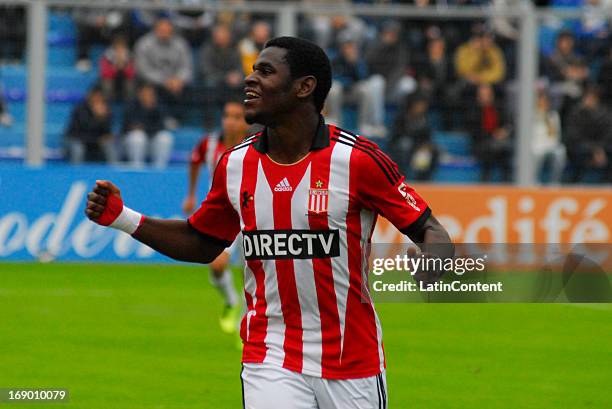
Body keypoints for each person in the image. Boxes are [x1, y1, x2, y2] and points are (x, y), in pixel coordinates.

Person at [85, 36, 452, 409]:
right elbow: (202, 242)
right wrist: (123, 218)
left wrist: (434, 257)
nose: (250, 80)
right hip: (270, 354)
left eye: (265, 71)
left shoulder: (357, 162)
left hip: (351, 360)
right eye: (251, 70)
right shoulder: (235, 165)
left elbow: (430, 229)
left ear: (304, 87)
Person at [182, 100, 251, 334]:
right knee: (217, 265)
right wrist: (191, 194)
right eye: (227, 116)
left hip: (252, 215)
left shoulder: (256, 145)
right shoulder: (210, 144)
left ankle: (246, 325)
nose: (230, 122)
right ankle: (231, 300)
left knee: (250, 273)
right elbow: (194, 162)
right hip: (225, 216)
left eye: (237, 117)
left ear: (246, 121)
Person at [134, 17, 193, 126]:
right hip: (153, 82)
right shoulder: (144, 44)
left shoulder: (181, 44)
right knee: (150, 89)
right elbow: (143, 69)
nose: (165, 34)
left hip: (177, 83)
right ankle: (163, 120)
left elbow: (186, 67)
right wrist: (164, 81)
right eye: (162, 31)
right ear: (155, 30)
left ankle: (182, 121)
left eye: (168, 31)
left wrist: (179, 80)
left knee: (193, 89)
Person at [326, 33, 386, 137]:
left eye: (351, 46)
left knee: (365, 89)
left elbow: (363, 77)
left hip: (353, 93)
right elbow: (332, 77)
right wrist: (347, 82)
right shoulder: (335, 59)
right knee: (334, 88)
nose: (349, 49)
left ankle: (364, 124)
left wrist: (354, 64)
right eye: (346, 46)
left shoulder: (358, 60)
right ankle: (334, 120)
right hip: (341, 92)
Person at [466, 84, 513, 182]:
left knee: (505, 151)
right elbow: (474, 132)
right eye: (483, 95)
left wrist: (504, 131)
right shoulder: (473, 111)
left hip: (499, 144)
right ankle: (485, 181)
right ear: (478, 96)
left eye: (488, 95)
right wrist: (493, 135)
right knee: (491, 150)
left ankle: (507, 183)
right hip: (480, 144)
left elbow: (509, 123)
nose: (486, 97)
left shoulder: (499, 108)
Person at [564, 86, 612, 183]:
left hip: (602, 148)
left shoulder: (605, 114)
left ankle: (606, 182)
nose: (589, 101)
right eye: (587, 98)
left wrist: (599, 149)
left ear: (597, 100)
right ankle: (576, 181)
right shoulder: (575, 113)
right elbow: (573, 136)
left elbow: (608, 135)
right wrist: (594, 149)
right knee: (579, 152)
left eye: (592, 98)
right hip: (581, 147)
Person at [122, 83, 174, 168]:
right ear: (139, 94)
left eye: (150, 94)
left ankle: (160, 167)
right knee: (137, 137)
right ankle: (137, 166)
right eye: (145, 93)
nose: (148, 96)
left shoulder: (158, 107)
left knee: (165, 137)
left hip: (152, 138)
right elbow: (128, 126)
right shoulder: (131, 105)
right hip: (132, 141)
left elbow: (162, 125)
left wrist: (145, 126)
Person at [390, 93, 439, 181]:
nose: (421, 108)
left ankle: (422, 179)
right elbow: (395, 136)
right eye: (419, 105)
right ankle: (400, 177)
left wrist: (426, 146)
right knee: (405, 145)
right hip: (401, 147)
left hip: (418, 148)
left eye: (423, 105)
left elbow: (427, 138)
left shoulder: (425, 120)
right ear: (412, 105)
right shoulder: (401, 118)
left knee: (432, 151)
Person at [64, 87, 116, 164]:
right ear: (90, 96)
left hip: (96, 141)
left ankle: (114, 172)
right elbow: (81, 130)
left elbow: (107, 131)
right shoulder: (80, 109)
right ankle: (76, 173)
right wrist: (97, 117)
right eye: (95, 96)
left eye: (100, 97)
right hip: (78, 139)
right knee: (78, 149)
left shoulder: (106, 110)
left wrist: (103, 118)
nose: (97, 99)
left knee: (110, 145)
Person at [532, 90, 566, 184]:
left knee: (561, 152)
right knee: (537, 153)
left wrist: (554, 143)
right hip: (537, 145)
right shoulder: (532, 116)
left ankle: (554, 181)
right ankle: (534, 180)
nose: (544, 104)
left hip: (552, 144)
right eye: (541, 102)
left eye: (546, 102)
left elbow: (557, 133)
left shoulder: (553, 115)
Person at [99, 35, 136, 102]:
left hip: (125, 78)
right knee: (107, 84)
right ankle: (108, 102)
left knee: (131, 84)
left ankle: (130, 102)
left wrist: (124, 68)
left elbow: (132, 73)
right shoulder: (107, 56)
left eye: (122, 47)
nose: (119, 50)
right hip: (111, 78)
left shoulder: (130, 56)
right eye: (117, 48)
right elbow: (104, 73)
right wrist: (115, 68)